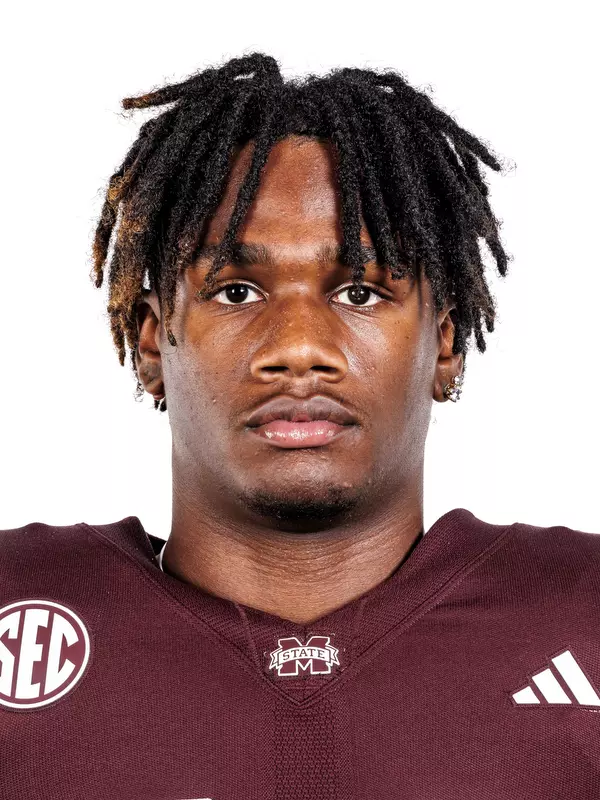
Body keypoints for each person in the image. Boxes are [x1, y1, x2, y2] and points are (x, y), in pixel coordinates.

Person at [1, 52, 599, 800]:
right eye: (236, 290)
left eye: (358, 290)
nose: (298, 348)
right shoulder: (18, 611)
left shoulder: (583, 609)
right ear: (152, 341)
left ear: (444, 343)